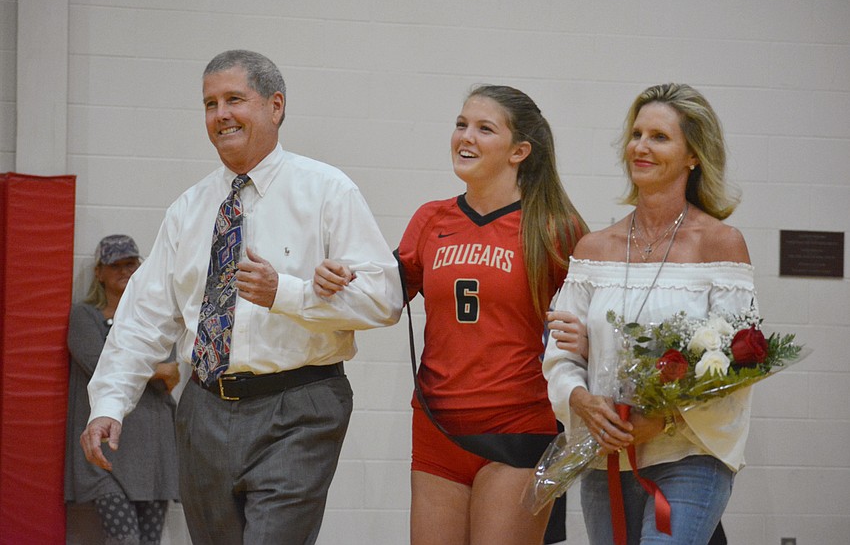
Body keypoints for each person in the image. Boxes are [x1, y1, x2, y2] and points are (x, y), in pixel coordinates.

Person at [80, 50, 401, 545]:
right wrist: (108, 403)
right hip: (204, 408)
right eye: (210, 104)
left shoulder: (327, 191)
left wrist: (287, 293)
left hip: (299, 406)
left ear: (276, 106)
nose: (221, 114)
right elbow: (142, 320)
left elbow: (384, 299)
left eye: (234, 99)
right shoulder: (188, 209)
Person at [317, 85, 589, 544]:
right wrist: (338, 278)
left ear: (519, 151)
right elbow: (382, 296)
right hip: (437, 427)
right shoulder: (431, 219)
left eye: (485, 129)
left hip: (517, 425)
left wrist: (587, 341)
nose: (466, 136)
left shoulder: (553, 227)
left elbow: (594, 321)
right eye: (462, 124)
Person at [544, 83, 754, 544]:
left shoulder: (720, 244)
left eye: (659, 137)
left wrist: (662, 419)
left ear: (692, 154)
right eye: (636, 134)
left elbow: (740, 362)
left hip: (690, 455)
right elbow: (559, 357)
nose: (640, 146)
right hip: (606, 453)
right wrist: (581, 400)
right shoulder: (594, 248)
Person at [65, 234, 180, 545]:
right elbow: (100, 366)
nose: (125, 271)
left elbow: (171, 374)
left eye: (131, 264)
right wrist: (154, 370)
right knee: (124, 539)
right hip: (105, 449)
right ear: (99, 272)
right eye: (115, 265)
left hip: (152, 448)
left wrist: (158, 371)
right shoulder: (84, 316)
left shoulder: (155, 319)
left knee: (149, 541)